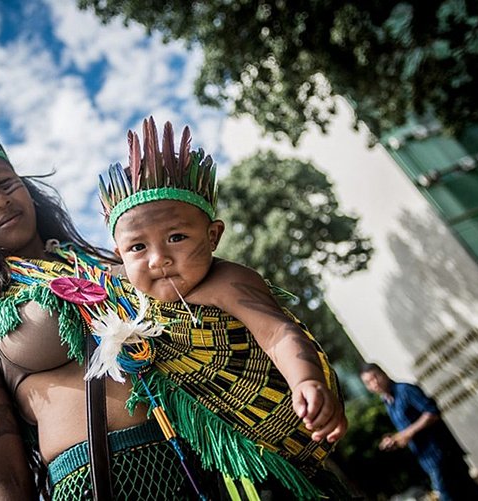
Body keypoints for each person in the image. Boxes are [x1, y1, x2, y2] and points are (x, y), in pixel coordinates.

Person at [0, 112, 348, 501]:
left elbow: (235, 297)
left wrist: (305, 376)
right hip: (100, 481)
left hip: (207, 456)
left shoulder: (119, 261)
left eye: (5, 182)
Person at [94, 117, 354, 500]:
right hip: (225, 458)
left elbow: (278, 333)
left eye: (177, 237)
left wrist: (306, 381)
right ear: (120, 255)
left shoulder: (228, 280)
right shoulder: (129, 297)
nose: (158, 259)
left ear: (213, 236)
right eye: (138, 248)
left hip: (285, 435)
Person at [360, 363, 478, 501]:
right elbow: (407, 431)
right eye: (368, 382)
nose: (374, 383)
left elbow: (432, 412)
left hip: (441, 454)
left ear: (383, 373)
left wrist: (407, 433)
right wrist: (395, 440)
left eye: (375, 377)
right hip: (427, 459)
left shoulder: (405, 390)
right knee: (472, 493)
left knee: (448, 496)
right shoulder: (388, 402)